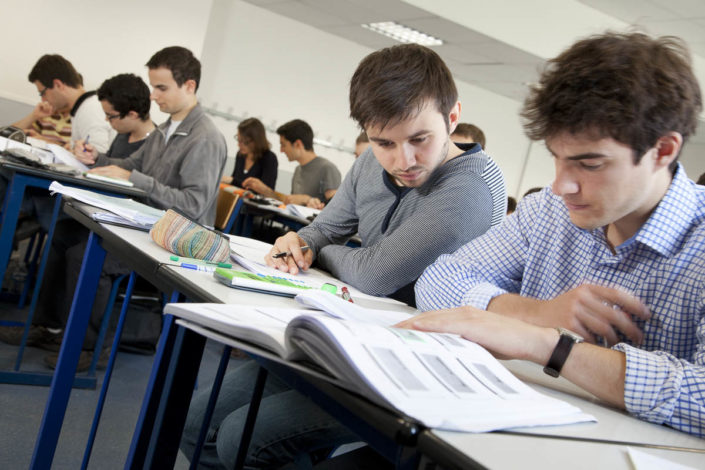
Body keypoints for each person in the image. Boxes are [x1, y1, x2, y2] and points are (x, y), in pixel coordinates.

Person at [181, 43, 507, 469]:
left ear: (452, 118)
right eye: (384, 142)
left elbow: (373, 276)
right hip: (347, 335)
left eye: (419, 140)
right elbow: (323, 228)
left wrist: (321, 251)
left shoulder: (471, 189)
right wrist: (303, 244)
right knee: (195, 422)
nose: (402, 161)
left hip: (412, 365)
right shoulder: (373, 161)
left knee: (242, 439)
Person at [404, 32, 705, 438]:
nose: (562, 185)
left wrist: (549, 345)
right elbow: (439, 279)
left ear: (663, 150)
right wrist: (538, 314)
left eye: (590, 164)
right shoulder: (551, 209)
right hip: (492, 431)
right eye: (557, 158)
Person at [0, 46, 228, 371]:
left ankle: (92, 348)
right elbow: (130, 164)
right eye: (154, 86)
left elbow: (192, 206)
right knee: (62, 234)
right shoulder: (166, 130)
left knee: (85, 255)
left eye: (161, 88)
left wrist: (135, 178)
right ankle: (49, 327)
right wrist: (96, 159)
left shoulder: (204, 138)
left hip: (173, 241)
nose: (154, 95)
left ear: (189, 86)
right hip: (148, 224)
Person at [242, 119, 341, 208]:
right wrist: (265, 190)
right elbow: (290, 203)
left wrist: (306, 199)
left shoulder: (327, 168)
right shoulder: (298, 169)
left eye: (283, 145)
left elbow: (334, 209)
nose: (281, 150)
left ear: (298, 144)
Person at [26, 54, 115, 152]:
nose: (43, 100)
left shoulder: (90, 109)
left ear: (58, 85)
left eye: (43, 93)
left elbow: (96, 157)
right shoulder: (81, 108)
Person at [74, 73, 155, 161]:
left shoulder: (155, 145)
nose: (106, 119)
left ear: (132, 115)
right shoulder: (124, 133)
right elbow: (110, 161)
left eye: (110, 116)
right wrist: (93, 156)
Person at [221, 117, 278, 188]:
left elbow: (266, 191)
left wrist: (232, 180)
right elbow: (233, 184)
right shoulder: (240, 155)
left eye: (244, 142)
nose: (239, 145)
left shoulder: (269, 158)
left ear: (256, 140)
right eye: (238, 140)